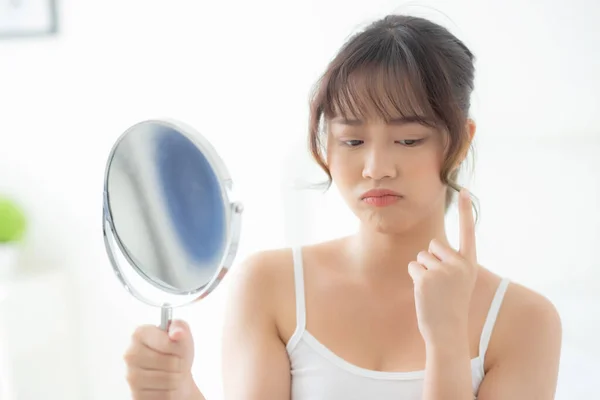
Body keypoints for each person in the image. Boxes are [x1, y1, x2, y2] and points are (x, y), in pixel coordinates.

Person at [122, 14, 562, 400]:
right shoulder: (268, 287)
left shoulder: (524, 322)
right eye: (352, 141)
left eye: (408, 140)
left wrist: (447, 341)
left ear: (461, 141)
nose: (375, 168)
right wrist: (177, 391)